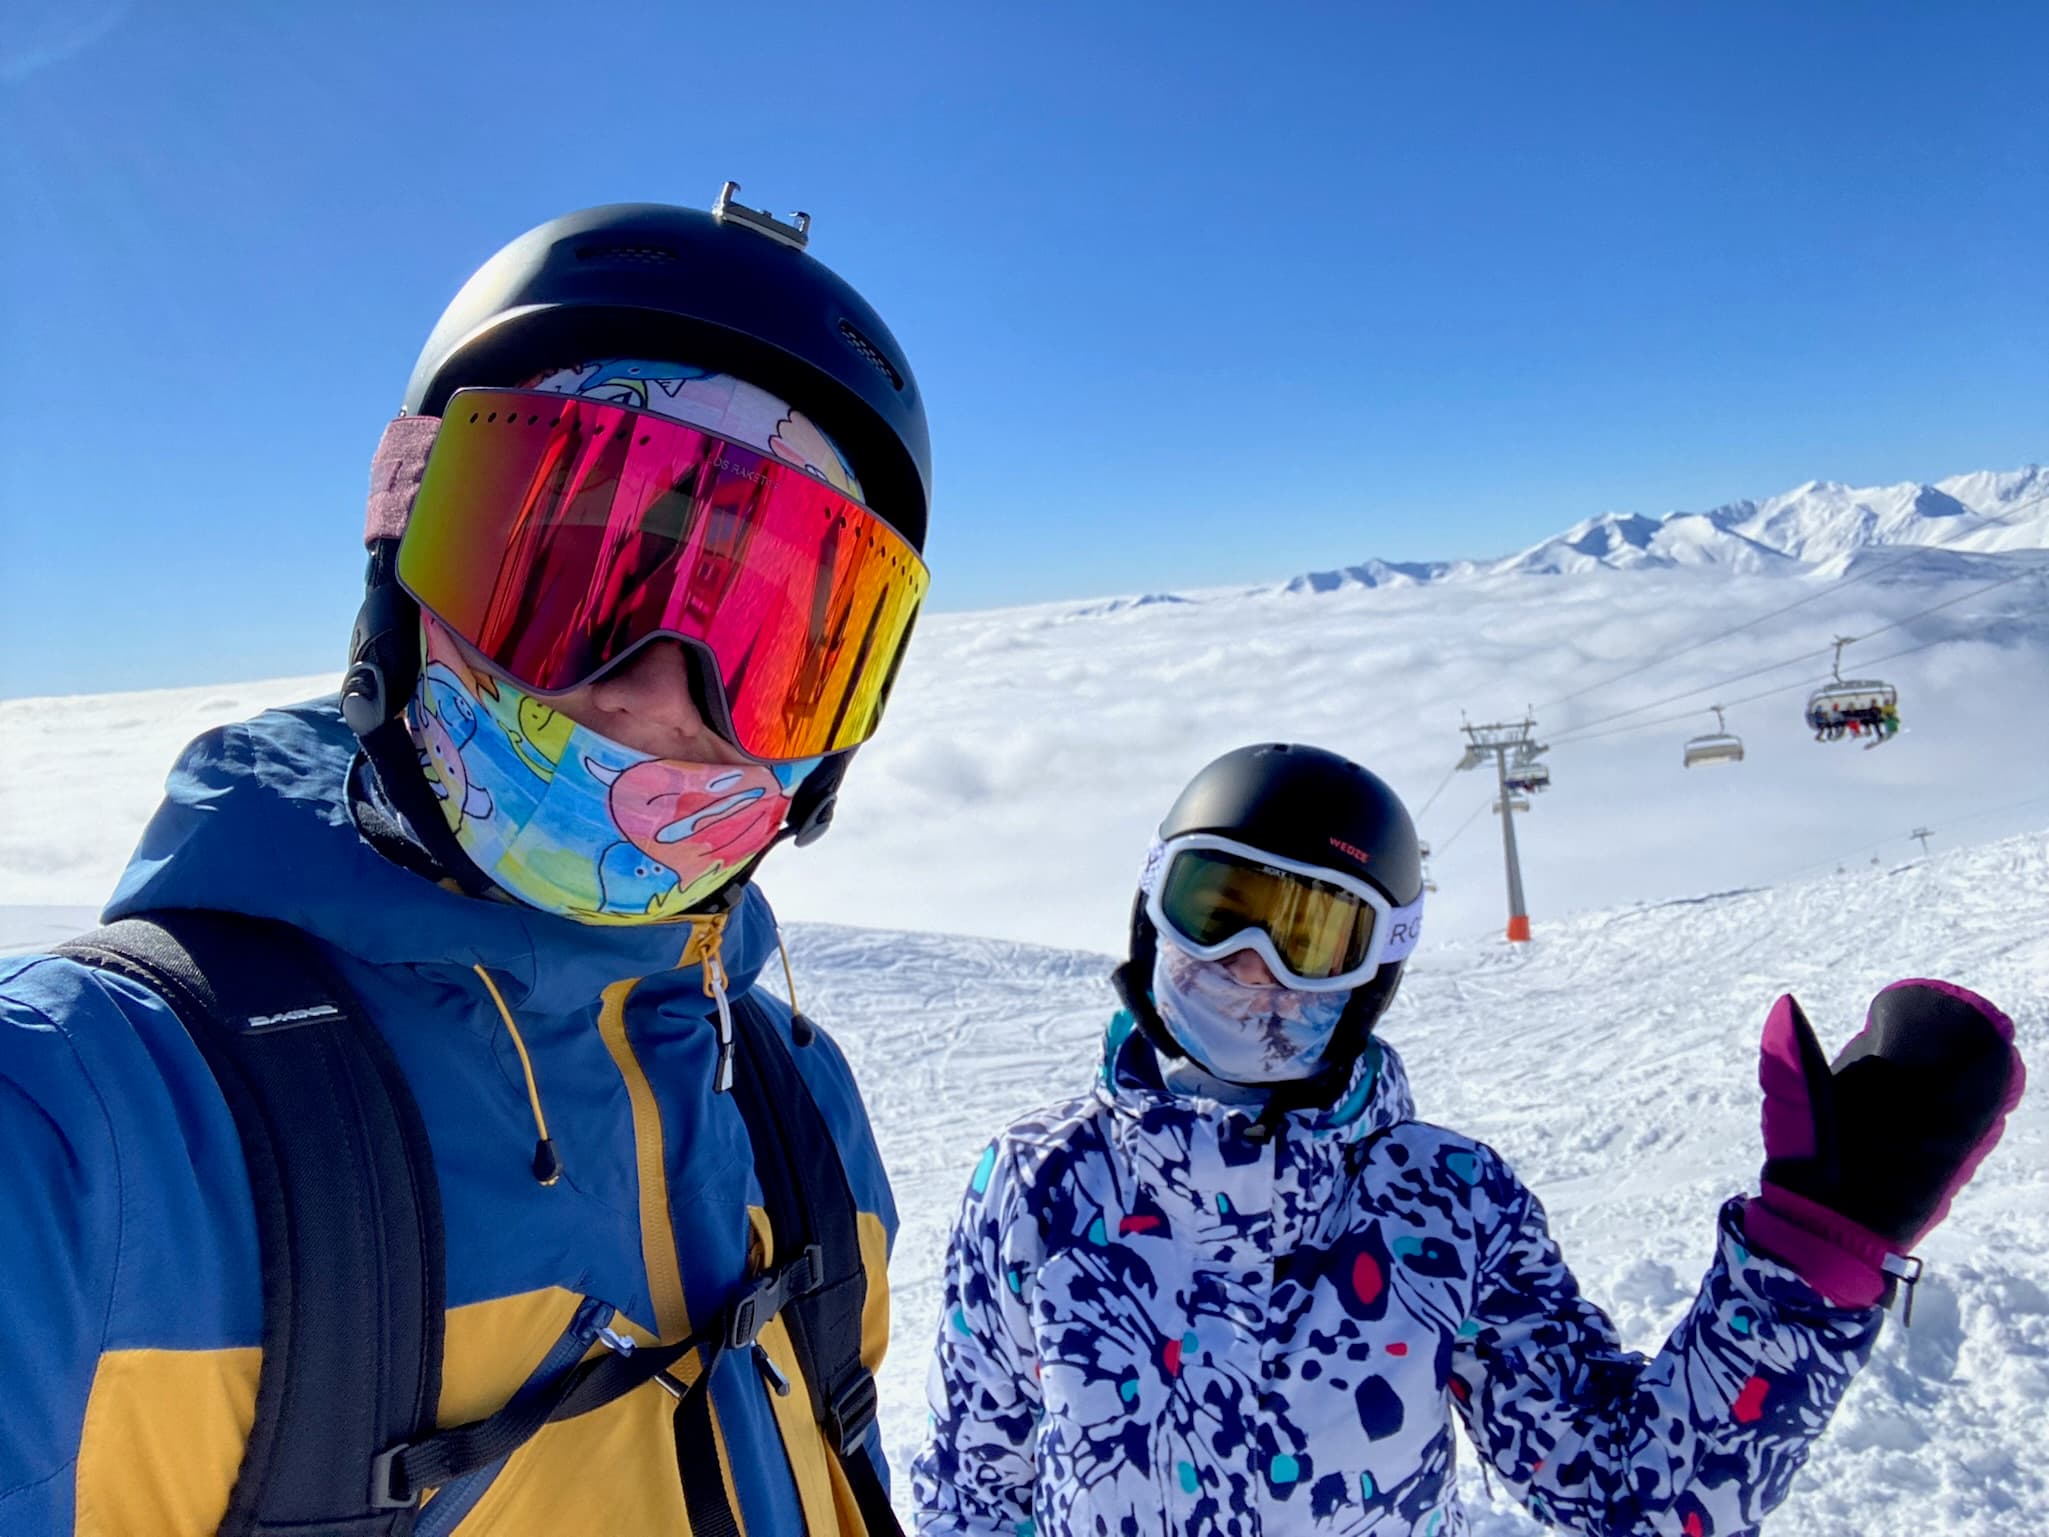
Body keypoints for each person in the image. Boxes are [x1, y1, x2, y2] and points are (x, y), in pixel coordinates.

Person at [0, 192, 931, 1534]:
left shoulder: (801, 1121)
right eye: (565, 578)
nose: (653, 700)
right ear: (404, 566)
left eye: (772, 640)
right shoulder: (82, 1146)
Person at [912, 742, 2026, 1536]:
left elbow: (1630, 1495)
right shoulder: (1039, 1187)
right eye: (1221, 906)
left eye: (1313, 934)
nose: (1257, 964)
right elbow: (975, 1489)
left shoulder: (1440, 1205)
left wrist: (1808, 1261)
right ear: (1152, 909)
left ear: (1373, 975)